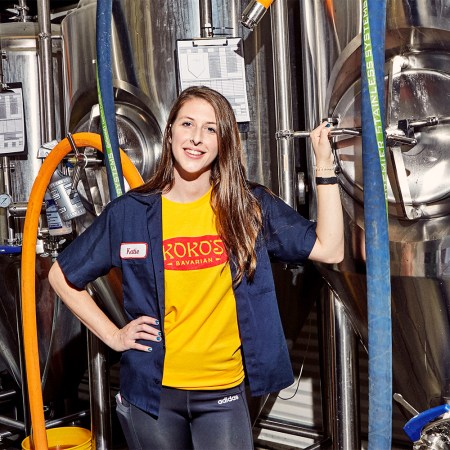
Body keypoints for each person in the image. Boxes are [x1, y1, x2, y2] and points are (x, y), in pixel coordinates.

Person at [49, 85, 344, 449]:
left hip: (222, 392)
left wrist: (324, 166)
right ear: (170, 130)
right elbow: (60, 275)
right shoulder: (130, 213)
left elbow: (330, 248)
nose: (197, 138)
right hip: (151, 395)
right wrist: (113, 336)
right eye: (188, 123)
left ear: (224, 142)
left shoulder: (248, 207)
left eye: (211, 129)